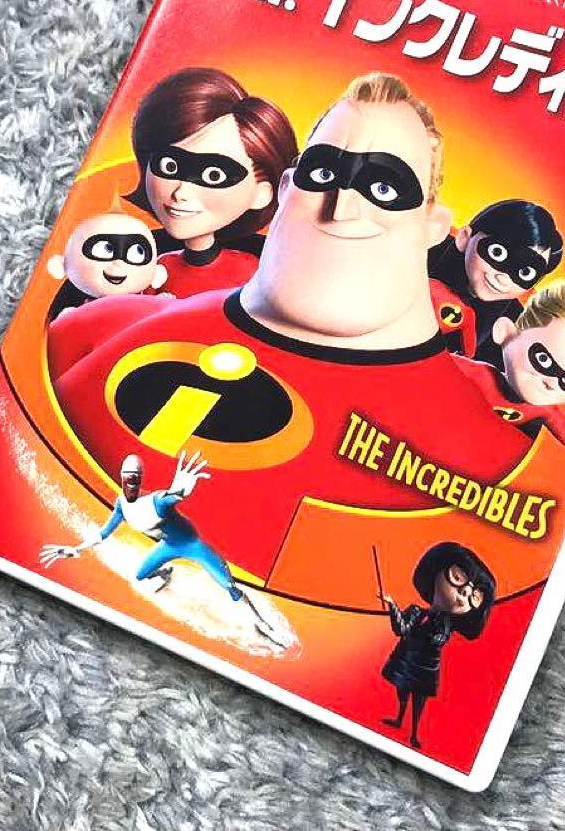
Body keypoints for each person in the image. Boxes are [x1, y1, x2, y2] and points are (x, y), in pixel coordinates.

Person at [47, 72, 530, 587]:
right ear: (285, 190)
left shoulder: (490, 459)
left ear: (433, 227)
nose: (342, 207)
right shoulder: (101, 327)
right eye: (323, 173)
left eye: (384, 188)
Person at [38, 451, 285, 645]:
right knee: (140, 576)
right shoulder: (122, 505)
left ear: (140, 479)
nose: (131, 481)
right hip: (168, 546)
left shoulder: (156, 501)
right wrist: (77, 548)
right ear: (121, 477)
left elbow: (173, 496)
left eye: (135, 477)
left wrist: (180, 490)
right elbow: (103, 533)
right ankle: (165, 573)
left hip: (192, 545)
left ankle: (262, 624)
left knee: (228, 585)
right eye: (127, 476)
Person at [125, 67, 298, 297]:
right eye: (170, 166)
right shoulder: (155, 270)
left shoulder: (254, 272)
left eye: (214, 176)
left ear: (262, 193)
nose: (181, 192)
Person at [455, 279, 565, 453]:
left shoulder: (545, 411)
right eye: (544, 360)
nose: (551, 383)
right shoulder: (481, 375)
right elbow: (442, 363)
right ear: (505, 333)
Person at [379, 542, 495, 750]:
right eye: (457, 578)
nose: (463, 593)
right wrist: (392, 605)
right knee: (402, 690)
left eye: (474, 597)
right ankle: (399, 718)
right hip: (407, 660)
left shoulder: (446, 625)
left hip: (426, 667)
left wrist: (432, 627)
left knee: (419, 700)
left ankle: (414, 732)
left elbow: (437, 639)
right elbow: (401, 629)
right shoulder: (416, 611)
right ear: (436, 572)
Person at [428, 199, 564, 365]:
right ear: (464, 237)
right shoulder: (426, 245)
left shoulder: (514, 327)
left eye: (525, 273)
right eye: (497, 253)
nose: (502, 278)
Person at [46, 209, 170, 319]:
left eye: (138, 252)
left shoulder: (146, 306)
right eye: (106, 249)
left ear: (157, 274)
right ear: (60, 266)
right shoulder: (78, 313)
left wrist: (160, 306)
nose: (118, 263)